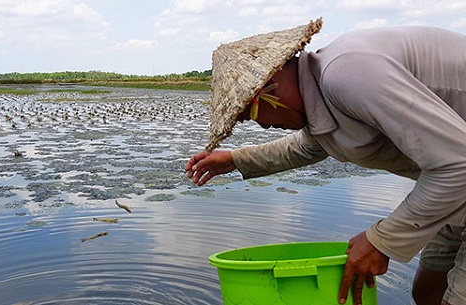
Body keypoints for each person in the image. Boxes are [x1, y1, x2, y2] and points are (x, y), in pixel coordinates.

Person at [185, 18, 466, 305]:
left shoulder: (348, 74)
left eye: (252, 116)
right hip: (454, 191)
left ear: (267, 91)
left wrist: (381, 240)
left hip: (456, 177)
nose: (264, 126)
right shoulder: (324, 90)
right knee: (429, 291)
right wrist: (236, 159)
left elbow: (458, 164)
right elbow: (310, 146)